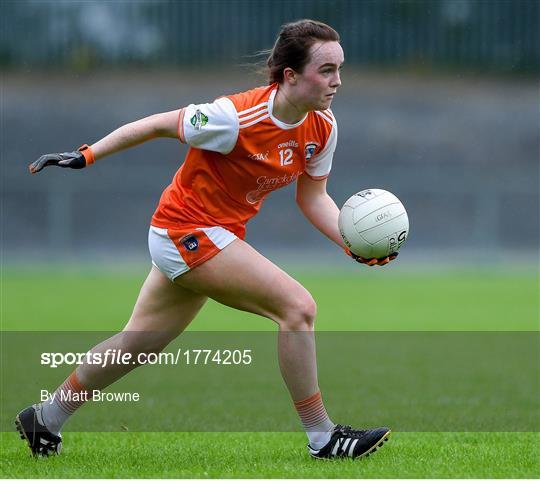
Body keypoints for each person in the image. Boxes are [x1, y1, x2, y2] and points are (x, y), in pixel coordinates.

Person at [17, 19, 396, 460]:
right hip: (184, 230)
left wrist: (351, 243)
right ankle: (323, 437)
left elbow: (313, 198)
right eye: (326, 70)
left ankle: (45, 418)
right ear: (291, 75)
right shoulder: (233, 118)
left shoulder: (323, 127)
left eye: (339, 69)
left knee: (136, 343)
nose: (337, 81)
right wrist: (87, 154)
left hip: (214, 234)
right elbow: (158, 124)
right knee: (298, 307)